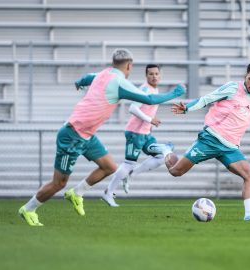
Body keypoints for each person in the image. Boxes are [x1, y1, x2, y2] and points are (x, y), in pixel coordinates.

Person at [18, 49, 185, 226]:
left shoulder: (104, 73)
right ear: (129, 66)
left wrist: (80, 81)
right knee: (59, 183)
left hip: (87, 135)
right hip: (72, 135)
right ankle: (28, 209)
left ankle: (77, 193)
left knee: (109, 167)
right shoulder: (120, 83)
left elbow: (90, 77)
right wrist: (175, 93)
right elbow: (149, 99)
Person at [164, 63, 250, 221]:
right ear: (246, 76)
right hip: (210, 139)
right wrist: (187, 108)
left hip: (230, 148)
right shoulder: (232, 88)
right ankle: (166, 151)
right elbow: (206, 99)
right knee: (176, 172)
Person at [102, 64, 174, 207]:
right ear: (146, 76)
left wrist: (151, 121)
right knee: (128, 163)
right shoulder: (144, 89)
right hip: (135, 133)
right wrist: (150, 119)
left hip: (146, 133)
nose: (154, 76)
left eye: (156, 74)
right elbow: (132, 108)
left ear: (160, 76)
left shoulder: (155, 89)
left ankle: (132, 174)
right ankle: (108, 193)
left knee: (162, 156)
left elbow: (147, 110)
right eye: (151, 74)